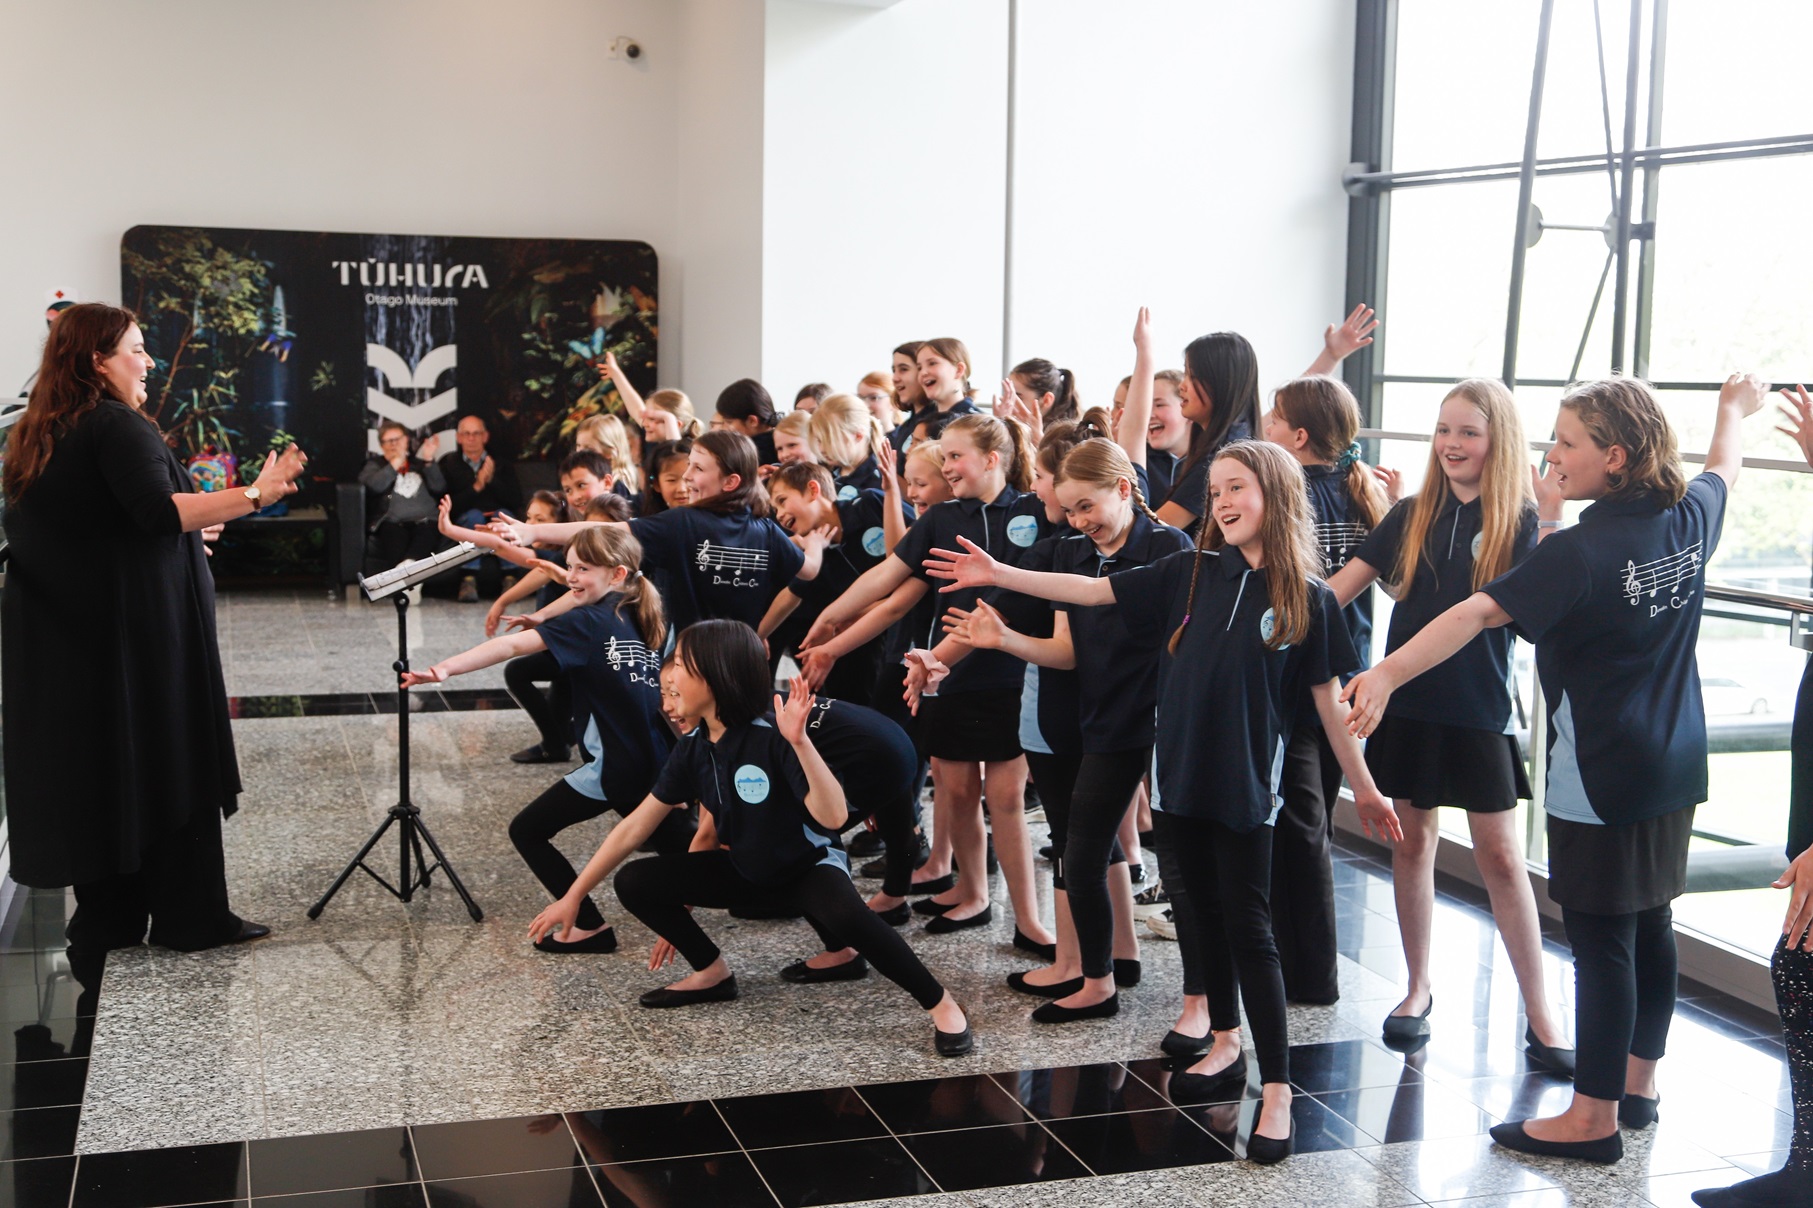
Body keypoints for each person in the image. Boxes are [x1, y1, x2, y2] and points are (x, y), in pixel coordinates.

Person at [926, 439, 1400, 1165]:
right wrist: (1000, 573)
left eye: (1236, 488)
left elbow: (1327, 709)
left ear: (1274, 493)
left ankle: (1276, 1089)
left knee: (1250, 932)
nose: (1224, 504)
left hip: (1243, 789)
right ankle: (1220, 1039)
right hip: (1178, 782)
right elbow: (1091, 593)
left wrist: (1363, 789)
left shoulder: (1308, 598)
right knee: (1198, 916)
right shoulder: (1187, 572)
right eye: (1215, 493)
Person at [1343, 373, 1768, 1164]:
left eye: (1566, 442)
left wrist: (1388, 674)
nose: (1552, 454)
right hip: (1674, 764)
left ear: (1613, 456)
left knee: (1604, 939)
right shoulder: (1686, 519)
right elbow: (1724, 465)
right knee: (1651, 924)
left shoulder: (1576, 552)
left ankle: (1591, 1117)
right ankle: (1638, 1086)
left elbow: (1471, 612)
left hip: (1599, 773)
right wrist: (1730, 411)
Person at [1, 303, 308, 968]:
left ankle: (110, 919)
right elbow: (156, 510)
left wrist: (190, 530)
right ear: (95, 360)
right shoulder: (115, 424)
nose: (148, 362)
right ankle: (191, 918)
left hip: (79, 645)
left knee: (111, 775)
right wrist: (257, 492)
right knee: (170, 760)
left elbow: (101, 528)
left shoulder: (43, 429)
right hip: (143, 643)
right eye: (136, 350)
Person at [527, 621, 974, 1056]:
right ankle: (711, 972)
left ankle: (940, 1003)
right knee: (636, 881)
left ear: (718, 674)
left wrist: (800, 742)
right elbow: (635, 828)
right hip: (745, 871)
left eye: (681, 664)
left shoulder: (773, 736)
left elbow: (833, 816)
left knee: (852, 917)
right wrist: (574, 895)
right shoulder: (693, 748)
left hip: (806, 869)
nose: (669, 675)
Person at [1324, 378, 1572, 1068]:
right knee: (1411, 842)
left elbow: (1531, 623)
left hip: (1479, 710)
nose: (1452, 444)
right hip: (1405, 703)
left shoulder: (1522, 522)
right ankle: (1416, 987)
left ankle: (1542, 1014)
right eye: (1442, 430)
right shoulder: (1409, 514)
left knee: (1498, 857)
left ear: (1496, 439)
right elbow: (1337, 590)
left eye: (1467, 431)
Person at [945, 433, 1192, 1023]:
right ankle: (1101, 976)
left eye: (1089, 506)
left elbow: (1136, 621)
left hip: (1151, 725)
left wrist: (999, 576)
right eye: (1070, 508)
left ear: (1125, 490)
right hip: (1095, 722)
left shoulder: (1168, 548)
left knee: (1122, 860)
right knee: (1082, 852)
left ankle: (1141, 990)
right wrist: (992, 641)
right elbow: (1065, 653)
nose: (1080, 520)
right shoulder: (1070, 551)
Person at [805, 413, 1056, 953]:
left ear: (993, 458)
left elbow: (1016, 602)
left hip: (1012, 673)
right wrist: (831, 619)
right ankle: (971, 892)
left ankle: (1030, 919)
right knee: (958, 791)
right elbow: (887, 581)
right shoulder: (941, 518)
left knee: (1006, 797)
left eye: (955, 457)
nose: (946, 467)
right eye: (942, 459)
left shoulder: (1035, 510)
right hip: (947, 676)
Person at [402, 525, 691, 952]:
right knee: (674, 842)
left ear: (616, 574)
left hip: (615, 765)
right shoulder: (642, 613)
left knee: (528, 831)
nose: (571, 577)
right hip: (656, 760)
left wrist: (444, 669)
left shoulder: (589, 621)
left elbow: (511, 648)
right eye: (569, 566)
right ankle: (741, 884)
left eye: (582, 569)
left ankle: (587, 925)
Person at [1260, 375, 1389, 1005]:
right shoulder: (1364, 495)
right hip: (1351, 678)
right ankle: (1296, 959)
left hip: (1297, 678)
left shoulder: (1286, 496)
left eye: (1274, 417)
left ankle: (1308, 975)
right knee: (1312, 821)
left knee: (1300, 823)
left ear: (1298, 435)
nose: (1265, 422)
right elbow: (1396, 587)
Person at [499, 431, 804, 633]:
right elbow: (807, 573)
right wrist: (760, 632)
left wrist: (529, 533)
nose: (686, 476)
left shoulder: (685, 522)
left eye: (697, 469)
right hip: (742, 654)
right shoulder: (766, 530)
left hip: (697, 657)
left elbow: (606, 529)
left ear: (731, 482)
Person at [761, 461, 911, 705]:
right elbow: (790, 595)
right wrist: (758, 635)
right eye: (774, 508)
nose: (779, 514)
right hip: (866, 644)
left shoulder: (870, 504)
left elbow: (916, 544)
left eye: (782, 500)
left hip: (906, 634)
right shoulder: (815, 552)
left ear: (812, 489)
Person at [438, 413, 521, 603]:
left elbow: (516, 500)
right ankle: (468, 580)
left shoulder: (500, 464)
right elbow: (450, 504)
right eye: (466, 434)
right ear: (459, 438)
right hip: (465, 517)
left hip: (497, 514)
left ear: (485, 436)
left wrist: (491, 481)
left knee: (504, 517)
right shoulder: (448, 464)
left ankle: (510, 578)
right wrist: (477, 487)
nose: (471, 438)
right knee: (474, 516)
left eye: (476, 433)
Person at [359, 420, 447, 572]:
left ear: (407, 440)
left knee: (426, 533)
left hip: (426, 520)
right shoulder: (374, 465)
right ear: (381, 445)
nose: (394, 444)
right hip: (392, 522)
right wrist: (394, 464)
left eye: (398, 439)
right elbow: (374, 486)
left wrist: (429, 461)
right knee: (393, 535)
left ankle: (407, 568)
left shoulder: (419, 464)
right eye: (389, 441)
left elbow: (439, 487)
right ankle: (407, 579)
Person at [809, 392, 889, 497]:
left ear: (858, 435)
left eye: (830, 440)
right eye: (819, 440)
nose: (822, 449)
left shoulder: (879, 484)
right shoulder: (826, 476)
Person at [712, 378, 780, 467]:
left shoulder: (750, 457)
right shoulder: (779, 443)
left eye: (729, 422)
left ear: (752, 421)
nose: (724, 428)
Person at [576, 413, 642, 502]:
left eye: (589, 448)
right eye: (578, 446)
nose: (580, 452)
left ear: (610, 452)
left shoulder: (617, 485)